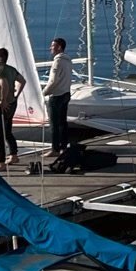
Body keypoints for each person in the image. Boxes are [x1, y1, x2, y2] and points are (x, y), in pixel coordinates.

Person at [43, 36, 82, 173]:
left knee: (54, 123)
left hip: (57, 96)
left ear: (59, 47)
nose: (50, 48)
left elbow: (53, 81)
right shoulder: (68, 61)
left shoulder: (58, 62)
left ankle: (54, 149)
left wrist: (44, 92)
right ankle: (63, 147)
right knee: (62, 123)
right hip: (66, 93)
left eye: (52, 46)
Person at [0, 47, 26, 170]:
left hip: (2, 105)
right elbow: (22, 81)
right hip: (12, 103)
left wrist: (3, 100)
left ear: (0, 59)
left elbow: (4, 85)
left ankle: (1, 162)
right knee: (8, 130)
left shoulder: (0, 72)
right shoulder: (11, 69)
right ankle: (14, 155)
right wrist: (16, 95)